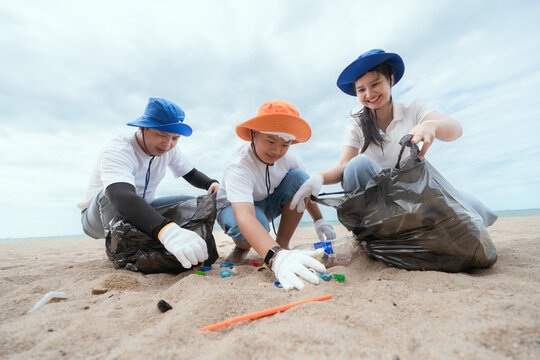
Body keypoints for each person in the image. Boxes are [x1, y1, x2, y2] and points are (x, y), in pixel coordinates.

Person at [290, 49, 497, 226]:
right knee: (356, 166)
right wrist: (319, 178)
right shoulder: (356, 124)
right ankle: (372, 233)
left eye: (375, 84)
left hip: (414, 191)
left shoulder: (413, 109)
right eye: (361, 89)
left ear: (390, 79)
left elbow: (455, 129)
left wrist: (431, 124)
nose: (369, 94)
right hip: (378, 200)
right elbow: (344, 165)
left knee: (474, 213)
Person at [78, 97, 220, 270]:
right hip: (97, 219)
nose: (168, 144)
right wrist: (168, 232)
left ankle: (154, 240)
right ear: (142, 128)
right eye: (161, 135)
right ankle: (118, 249)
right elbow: (122, 196)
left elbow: (190, 173)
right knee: (108, 193)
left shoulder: (170, 150)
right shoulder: (118, 149)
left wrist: (211, 183)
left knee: (190, 202)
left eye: (175, 138)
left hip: (142, 208)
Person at [216, 100, 336, 291]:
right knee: (258, 225)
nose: (276, 151)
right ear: (254, 134)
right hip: (233, 209)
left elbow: (305, 188)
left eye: (285, 144)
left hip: (266, 203)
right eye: (270, 141)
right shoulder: (239, 165)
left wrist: (319, 220)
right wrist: (275, 258)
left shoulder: (288, 158)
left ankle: (282, 245)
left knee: (300, 177)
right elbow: (245, 216)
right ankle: (243, 247)